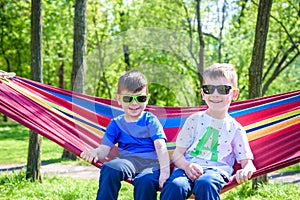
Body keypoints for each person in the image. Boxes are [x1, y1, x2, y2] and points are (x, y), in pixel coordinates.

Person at [160, 63, 256, 200]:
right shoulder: (194, 120)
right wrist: (187, 166)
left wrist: (246, 170)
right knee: (175, 185)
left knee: (205, 183)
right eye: (209, 89)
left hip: (216, 172)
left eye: (223, 89)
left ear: (234, 94)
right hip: (187, 169)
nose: (215, 94)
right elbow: (177, 154)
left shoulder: (235, 128)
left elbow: (247, 162)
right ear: (203, 94)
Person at [80, 70, 170, 200]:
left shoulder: (150, 121)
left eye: (140, 98)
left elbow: (161, 147)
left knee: (145, 182)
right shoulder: (116, 124)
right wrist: (94, 153)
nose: (134, 103)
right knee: (110, 168)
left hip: (151, 165)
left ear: (147, 99)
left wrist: (165, 172)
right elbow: (104, 150)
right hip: (129, 162)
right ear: (119, 99)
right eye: (128, 98)